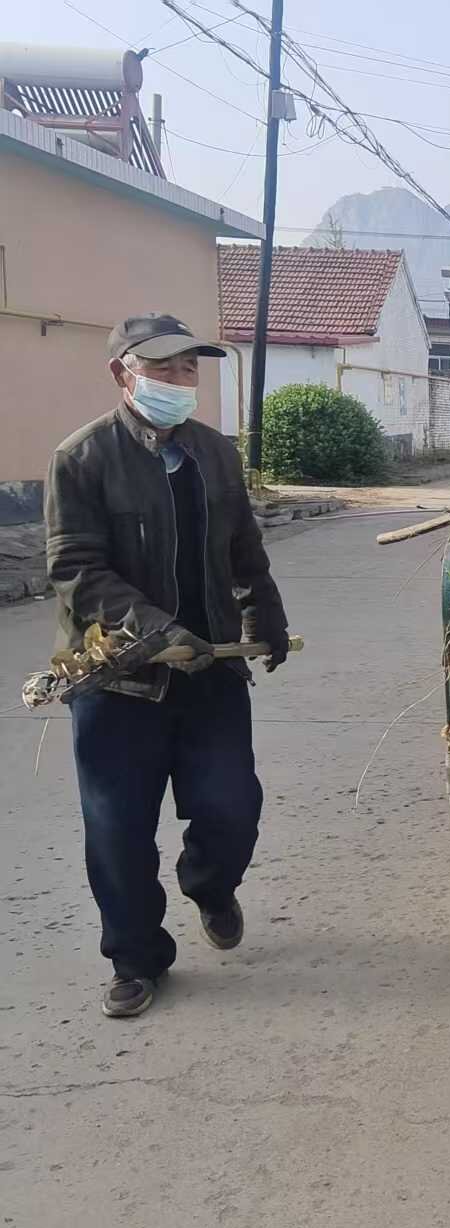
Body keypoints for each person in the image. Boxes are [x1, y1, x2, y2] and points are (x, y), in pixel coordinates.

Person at [45, 314, 290, 1018]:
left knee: (232, 806)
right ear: (122, 373)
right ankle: (135, 958)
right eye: (163, 367)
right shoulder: (82, 458)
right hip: (118, 680)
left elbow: (243, 547)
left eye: (189, 367)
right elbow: (75, 567)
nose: (181, 379)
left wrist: (263, 610)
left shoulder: (215, 453)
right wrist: (156, 629)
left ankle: (211, 885)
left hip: (211, 669)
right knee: (118, 832)